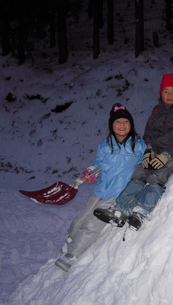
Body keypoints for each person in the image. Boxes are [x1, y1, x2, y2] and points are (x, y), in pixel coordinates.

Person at [55, 103, 146, 272]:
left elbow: (143, 166)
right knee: (81, 218)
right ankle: (70, 240)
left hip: (118, 192)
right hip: (101, 189)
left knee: (93, 223)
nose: (122, 125)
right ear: (112, 125)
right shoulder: (105, 145)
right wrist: (91, 172)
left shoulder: (139, 145)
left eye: (126, 122)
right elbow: (99, 164)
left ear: (131, 125)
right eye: (118, 122)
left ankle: (73, 254)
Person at [94, 73, 173, 230]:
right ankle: (120, 209)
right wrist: (148, 149)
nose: (169, 95)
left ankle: (141, 211)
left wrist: (167, 154)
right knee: (138, 173)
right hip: (154, 151)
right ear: (161, 93)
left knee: (157, 177)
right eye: (165, 91)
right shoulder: (156, 111)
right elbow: (148, 133)